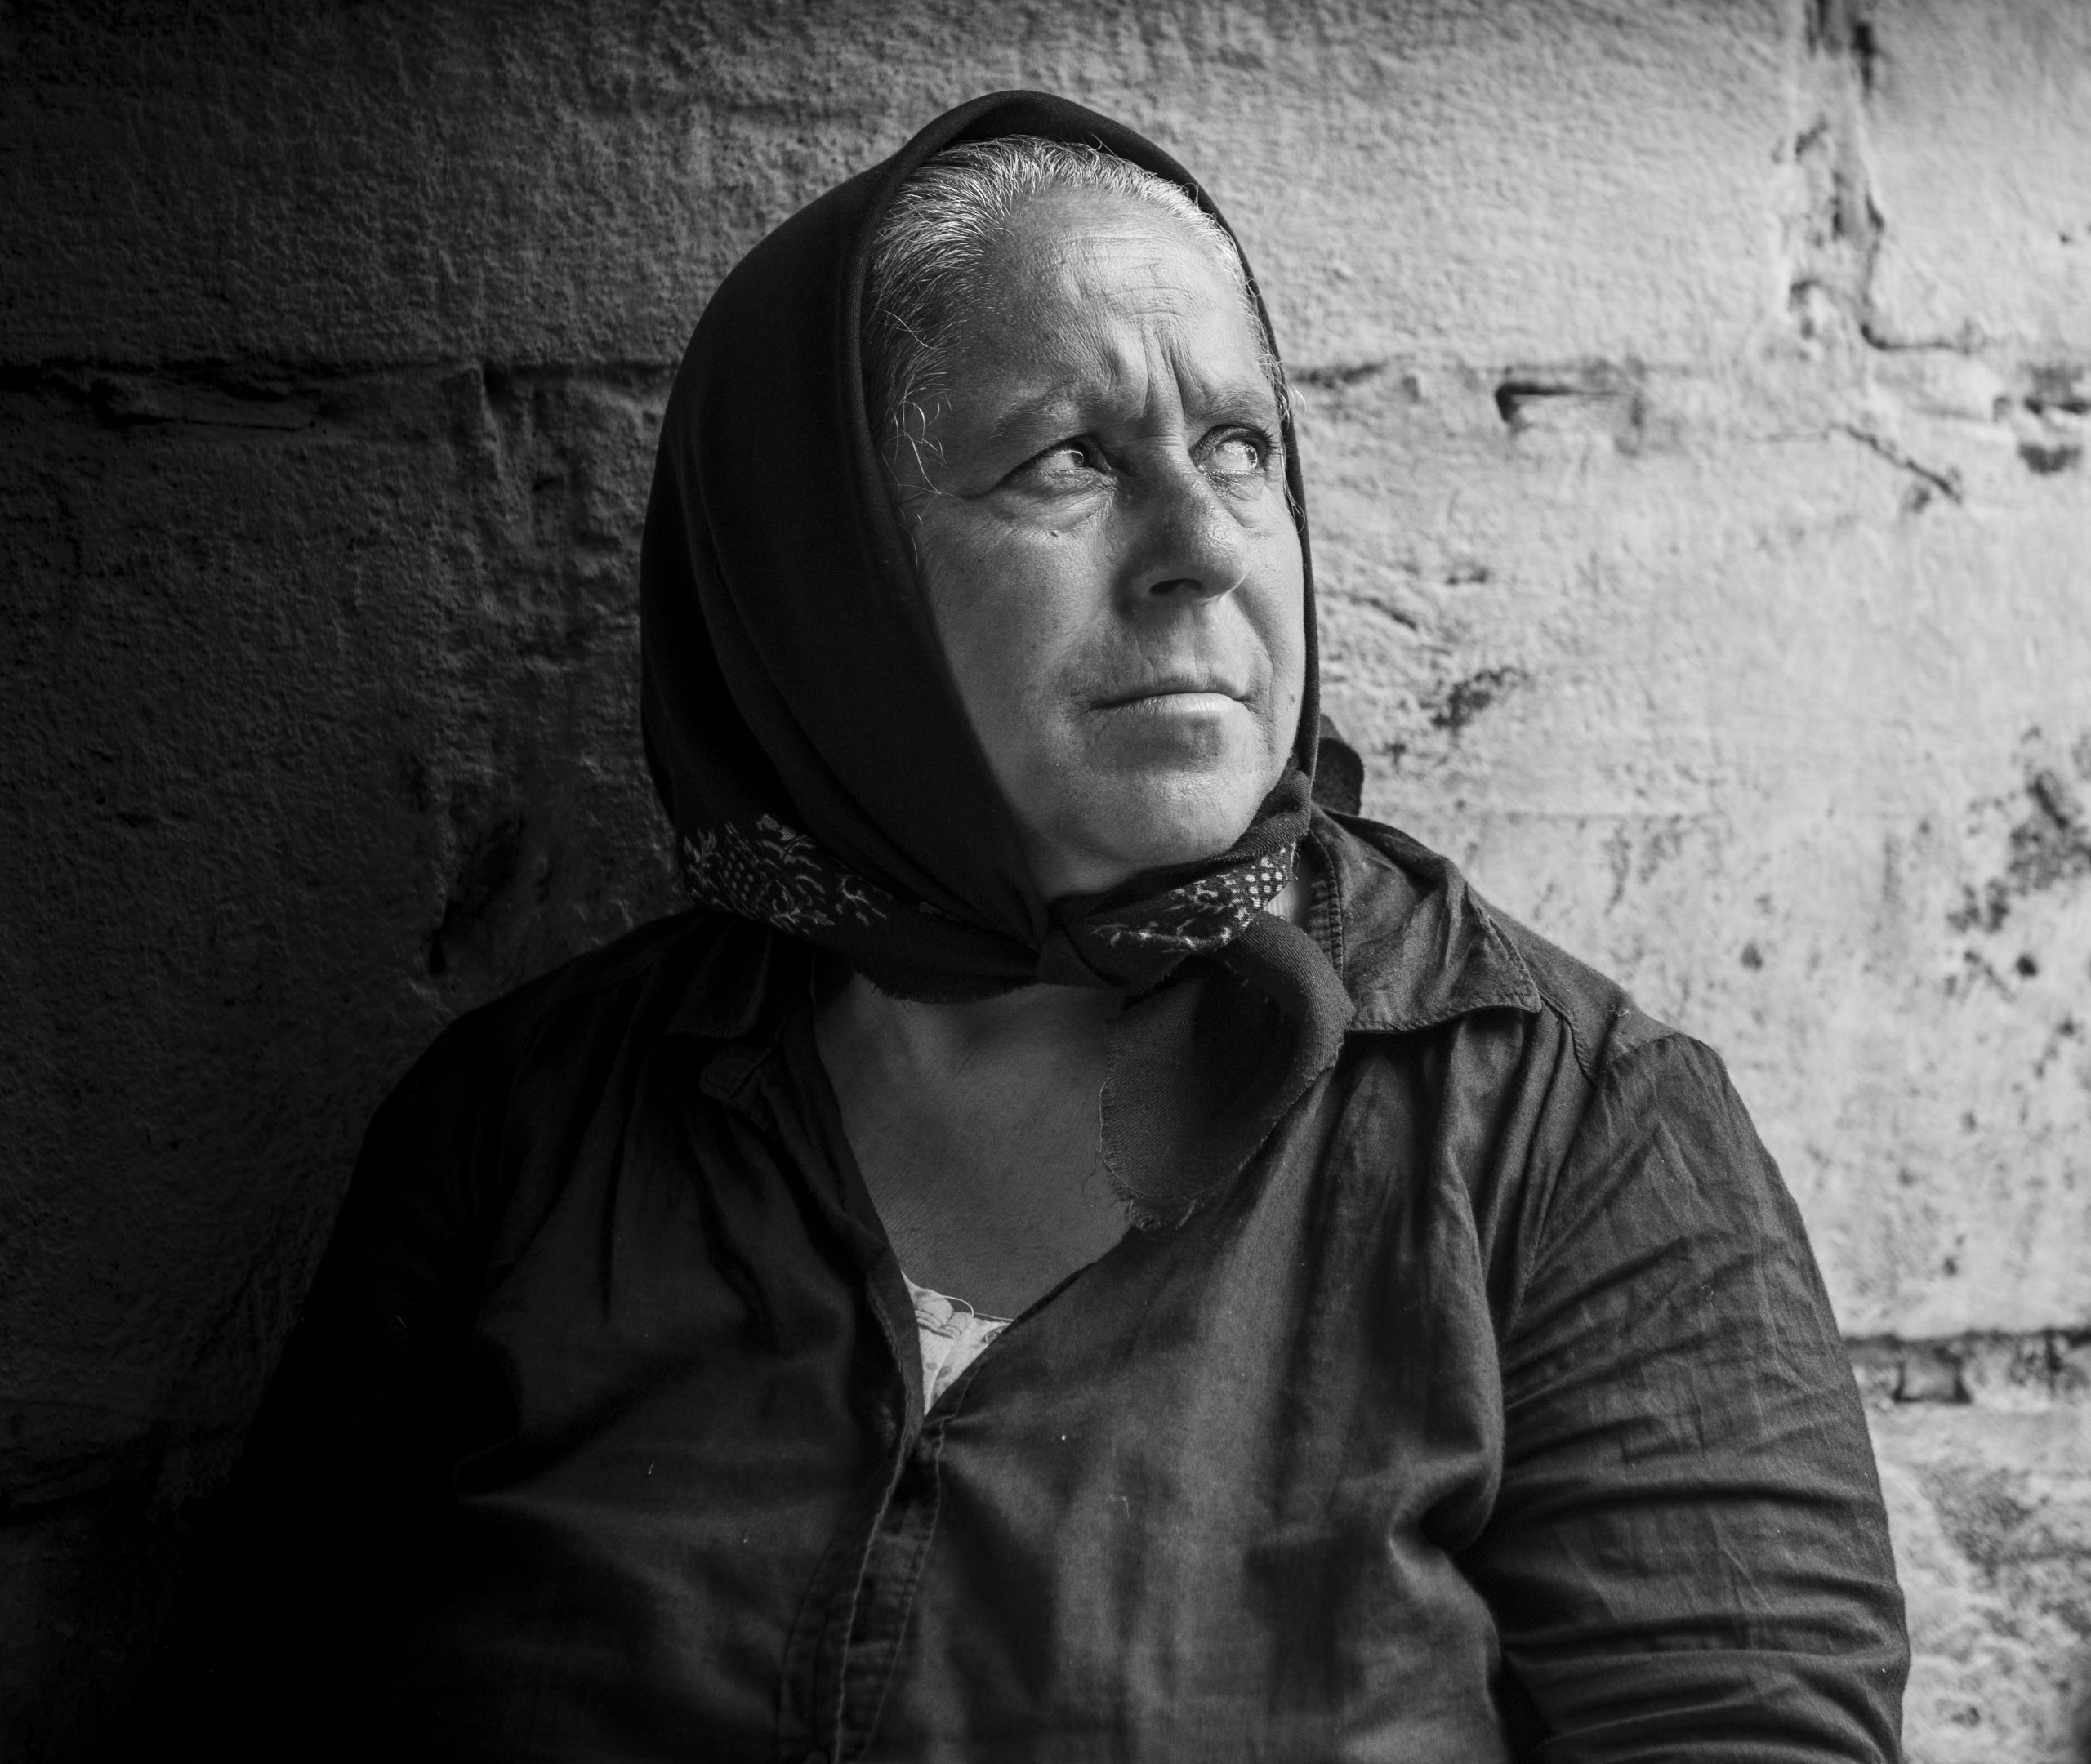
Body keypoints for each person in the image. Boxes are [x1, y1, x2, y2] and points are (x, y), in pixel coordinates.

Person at [129, 91, 1907, 1761]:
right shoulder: (525, 1132)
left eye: (1241, 447)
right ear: (825, 576)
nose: (1204, 546)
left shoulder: (1557, 1126)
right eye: (1068, 460)